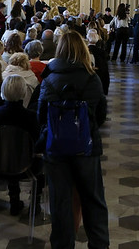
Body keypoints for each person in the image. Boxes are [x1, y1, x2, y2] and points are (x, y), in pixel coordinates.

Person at [38, 30, 109, 249]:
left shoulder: (49, 78)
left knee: (60, 203)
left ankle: (62, 245)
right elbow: (100, 115)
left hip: (56, 148)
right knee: (93, 201)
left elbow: (41, 114)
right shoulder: (91, 78)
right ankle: (98, 245)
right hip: (86, 147)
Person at [0, 75, 43, 215]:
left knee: (9, 152)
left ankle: (14, 198)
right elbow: (36, 142)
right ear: (23, 92)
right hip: (28, 165)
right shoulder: (30, 116)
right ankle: (35, 201)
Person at [87, 30, 111, 95]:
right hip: (100, 79)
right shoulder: (102, 52)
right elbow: (105, 71)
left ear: (88, 39)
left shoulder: (84, 52)